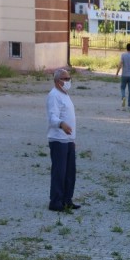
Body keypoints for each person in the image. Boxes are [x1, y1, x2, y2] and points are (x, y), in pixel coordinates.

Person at [46, 68, 80, 212]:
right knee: (59, 172)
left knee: (70, 172)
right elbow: (52, 117)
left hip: (68, 140)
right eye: (65, 79)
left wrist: (72, 138)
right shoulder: (54, 96)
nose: (68, 81)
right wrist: (61, 124)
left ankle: (67, 199)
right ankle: (55, 201)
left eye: (69, 78)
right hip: (58, 139)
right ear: (57, 81)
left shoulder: (65, 94)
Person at [115, 43, 130, 109]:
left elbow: (120, 64)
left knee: (122, 88)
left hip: (124, 75)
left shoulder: (123, 55)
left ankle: (123, 97)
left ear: (126, 48)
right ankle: (129, 105)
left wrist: (117, 73)